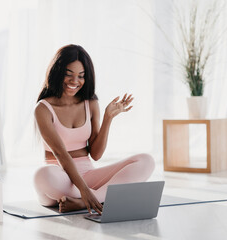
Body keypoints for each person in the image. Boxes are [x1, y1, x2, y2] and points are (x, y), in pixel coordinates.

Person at [34, 44, 155, 214]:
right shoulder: (43, 108)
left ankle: (87, 201)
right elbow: (61, 154)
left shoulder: (90, 103)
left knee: (146, 160)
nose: (75, 81)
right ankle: (97, 198)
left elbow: (96, 155)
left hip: (88, 175)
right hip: (58, 177)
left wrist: (108, 118)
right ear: (57, 72)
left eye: (81, 76)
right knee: (42, 175)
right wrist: (84, 191)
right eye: (69, 75)